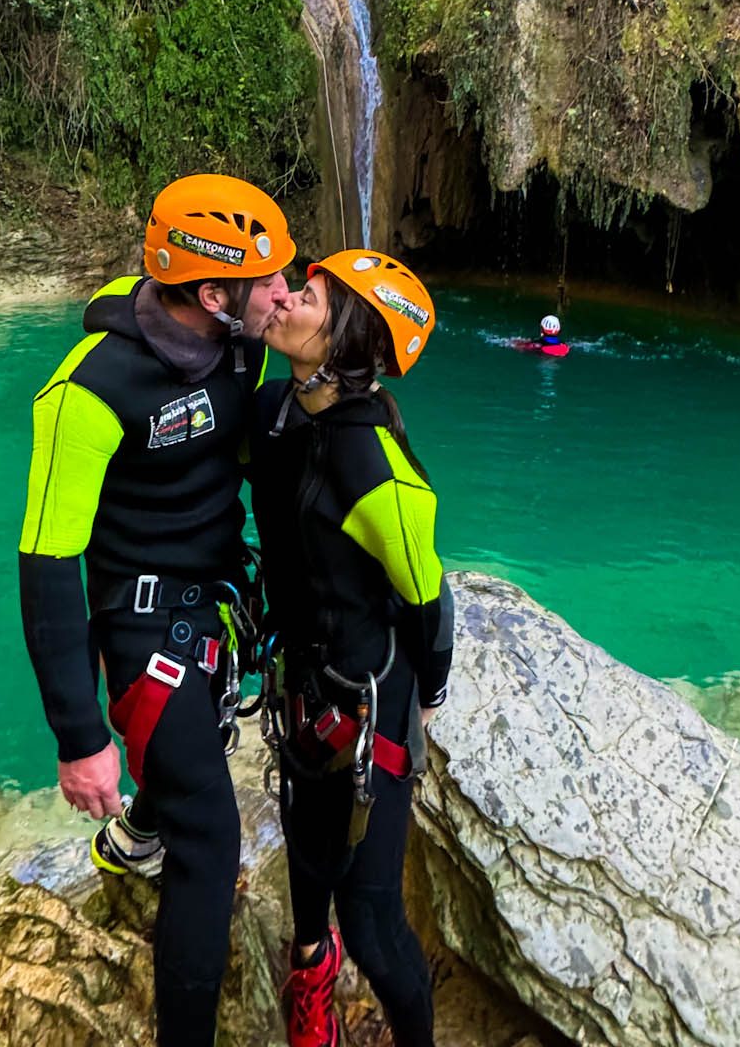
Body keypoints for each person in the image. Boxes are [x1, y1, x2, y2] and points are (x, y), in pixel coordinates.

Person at [17, 173, 296, 1047]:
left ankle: (141, 829)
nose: (288, 294)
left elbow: (241, 447)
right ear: (213, 295)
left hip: (217, 594)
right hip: (142, 629)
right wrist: (80, 740)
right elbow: (46, 562)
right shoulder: (86, 394)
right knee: (212, 843)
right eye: (272, 282)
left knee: (198, 761)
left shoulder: (239, 342)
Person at [249, 249, 452, 1047]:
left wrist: (427, 699)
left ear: (349, 343)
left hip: (372, 713)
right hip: (304, 688)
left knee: (372, 926)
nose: (288, 299)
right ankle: (311, 975)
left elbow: (426, 597)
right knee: (306, 855)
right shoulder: (273, 415)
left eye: (310, 296)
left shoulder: (371, 460)